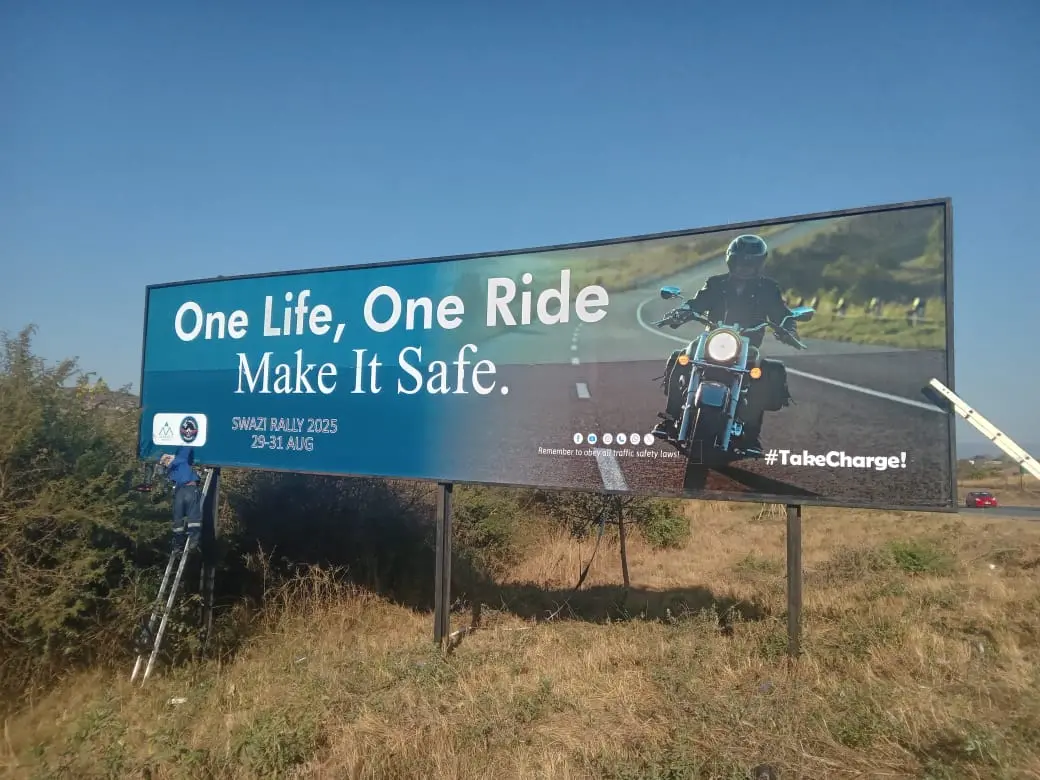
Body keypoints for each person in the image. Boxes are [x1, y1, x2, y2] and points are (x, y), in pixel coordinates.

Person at [651, 233, 799, 453]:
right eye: (740, 262)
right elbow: (698, 302)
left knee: (760, 375)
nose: (744, 268)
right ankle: (671, 417)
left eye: (750, 264)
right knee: (680, 358)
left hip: (747, 345)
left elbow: (781, 312)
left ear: (759, 264)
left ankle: (751, 434)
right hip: (714, 339)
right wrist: (683, 312)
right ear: (731, 260)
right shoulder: (715, 283)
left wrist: (788, 327)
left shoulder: (769, 288)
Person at [159, 447, 202, 553]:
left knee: (178, 517)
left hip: (180, 492)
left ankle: (179, 543)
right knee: (193, 516)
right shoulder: (180, 460)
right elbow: (187, 445)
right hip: (189, 489)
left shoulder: (170, 469)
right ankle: (192, 540)